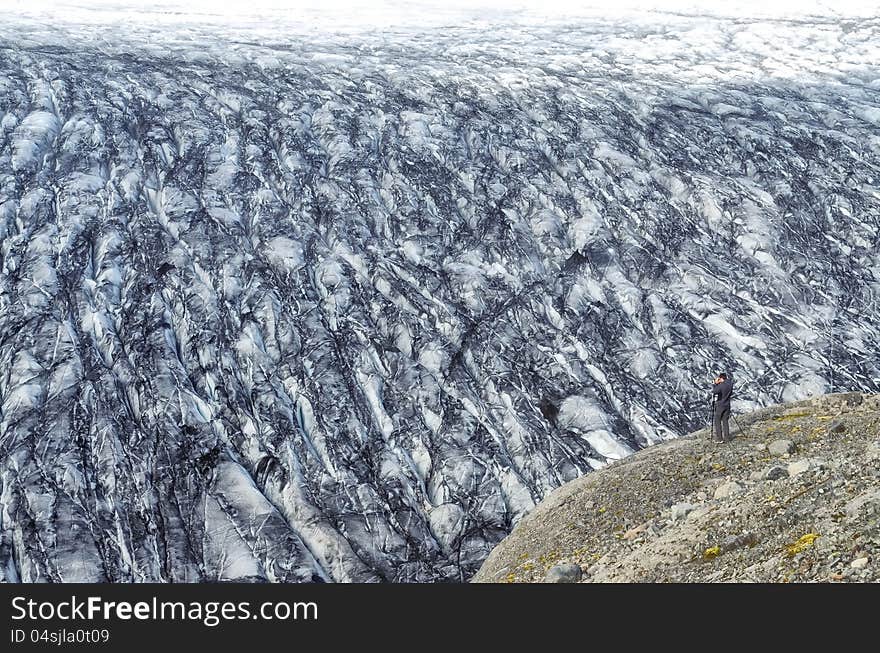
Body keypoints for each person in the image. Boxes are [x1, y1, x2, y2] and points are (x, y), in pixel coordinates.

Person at [711, 372, 734, 442]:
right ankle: (727, 437)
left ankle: (719, 438)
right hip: (727, 404)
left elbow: (714, 391)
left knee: (717, 420)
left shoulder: (721, 385)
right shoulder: (730, 384)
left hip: (720, 405)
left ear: (721, 378)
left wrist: (715, 384)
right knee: (725, 421)